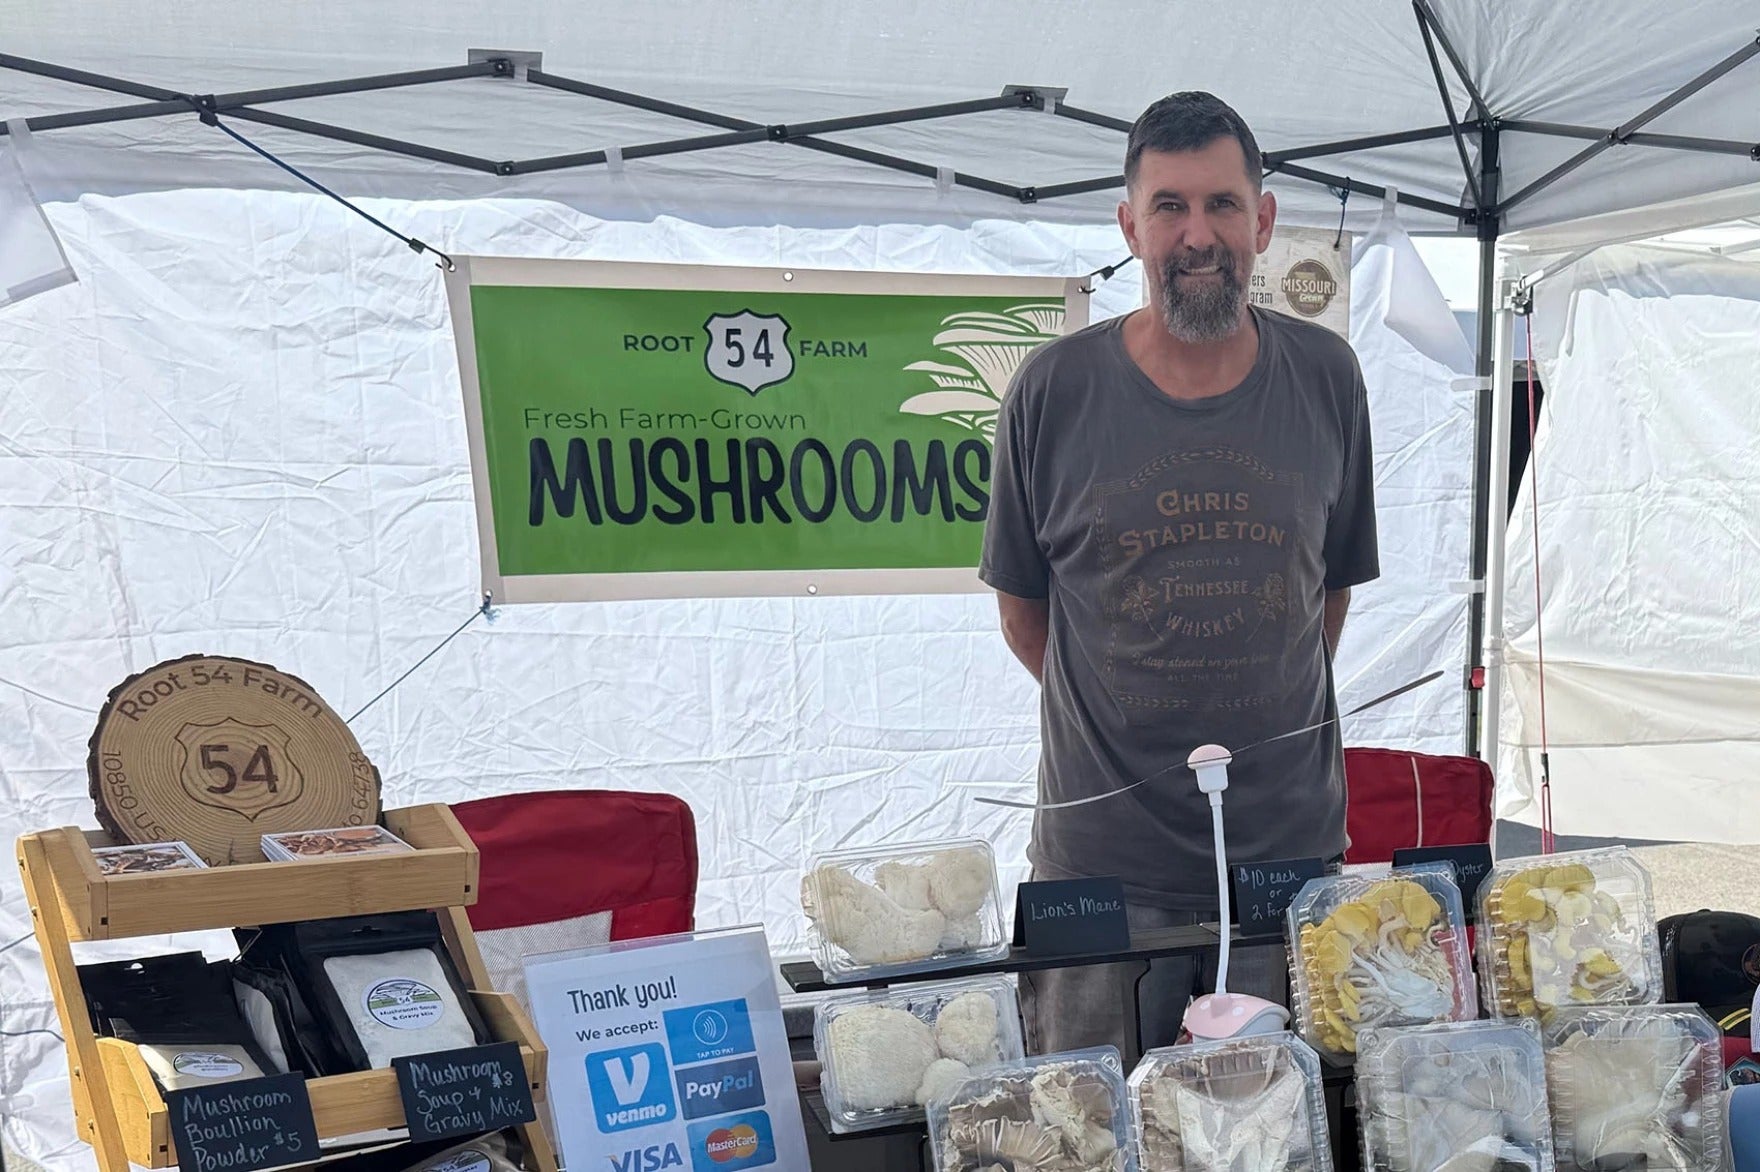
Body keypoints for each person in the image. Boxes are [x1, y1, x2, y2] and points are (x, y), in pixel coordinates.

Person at [979, 91, 1380, 1062]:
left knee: (1268, 1128)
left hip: (1281, 862)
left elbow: (1321, 593)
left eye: (1221, 205)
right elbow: (1024, 614)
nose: (1195, 235)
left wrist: (1242, 701)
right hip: (1099, 863)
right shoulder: (1052, 391)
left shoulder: (1326, 376)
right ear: (1128, 225)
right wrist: (1132, 719)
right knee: (1083, 1132)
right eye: (1167, 207)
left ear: (1263, 219)